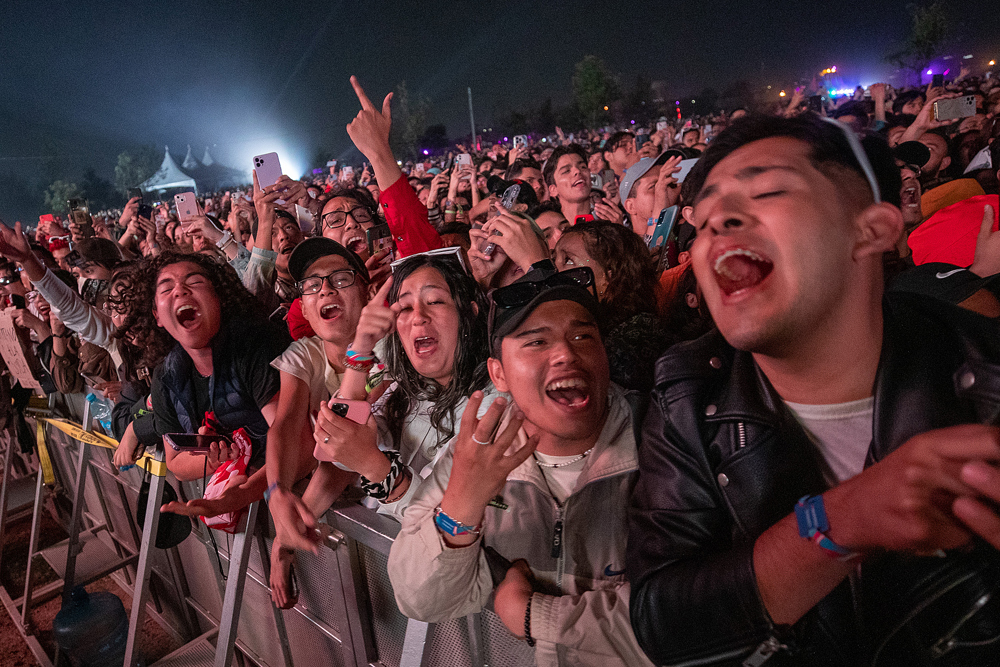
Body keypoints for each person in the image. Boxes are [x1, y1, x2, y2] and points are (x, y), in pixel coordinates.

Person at [628, 114, 1000, 665]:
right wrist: (838, 520)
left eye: (767, 191)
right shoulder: (687, 395)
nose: (718, 223)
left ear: (871, 229)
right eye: (703, 219)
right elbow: (666, 621)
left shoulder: (986, 373)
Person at [388, 264, 653, 667]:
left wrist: (533, 615)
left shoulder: (660, 442)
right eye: (536, 342)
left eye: (583, 336)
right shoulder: (479, 453)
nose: (566, 353)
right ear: (500, 373)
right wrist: (462, 503)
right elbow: (419, 598)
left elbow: (695, 616)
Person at [554, 221, 669, 393]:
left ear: (610, 277)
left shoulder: (641, 331)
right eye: (552, 259)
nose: (554, 271)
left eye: (568, 261)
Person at [542, 145, 622, 226]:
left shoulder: (609, 225)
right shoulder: (551, 233)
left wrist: (618, 230)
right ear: (553, 190)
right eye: (566, 171)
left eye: (583, 167)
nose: (577, 171)